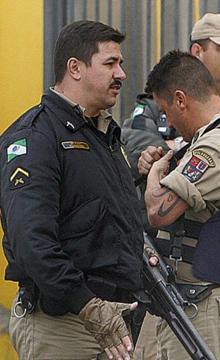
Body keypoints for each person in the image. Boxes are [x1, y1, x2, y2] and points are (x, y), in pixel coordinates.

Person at [122, 14, 220, 357]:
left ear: (181, 99)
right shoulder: (207, 138)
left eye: (167, 111)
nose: (168, 121)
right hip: (186, 301)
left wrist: (158, 170)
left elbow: (159, 211)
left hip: (206, 306)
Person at [1, 20, 142, 360]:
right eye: (110, 63)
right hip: (64, 326)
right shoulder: (36, 137)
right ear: (75, 68)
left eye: (120, 64)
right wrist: (87, 303)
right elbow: (32, 242)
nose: (121, 74)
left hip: (114, 325)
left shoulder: (101, 136)